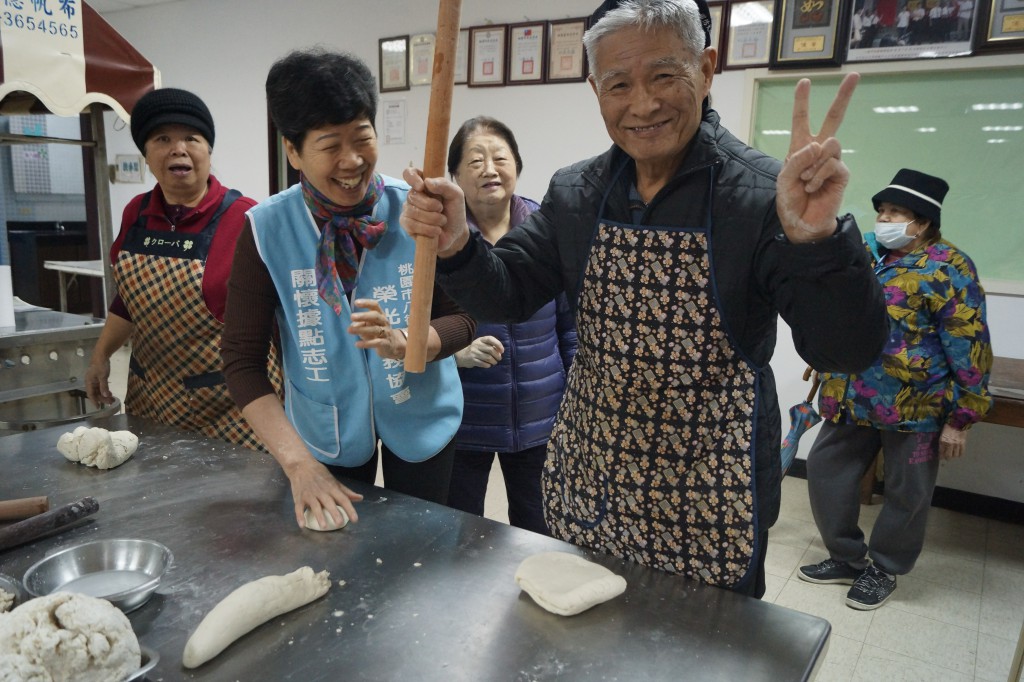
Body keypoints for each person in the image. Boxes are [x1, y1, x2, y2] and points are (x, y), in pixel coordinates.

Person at [401, 0, 887, 597]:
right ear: (594, 89)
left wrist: (817, 241)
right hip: (591, 475)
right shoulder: (577, 191)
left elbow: (845, 351)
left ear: (706, 69)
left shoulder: (764, 193)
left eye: (664, 76)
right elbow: (508, 292)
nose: (643, 103)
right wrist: (457, 247)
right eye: (618, 84)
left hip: (712, 492)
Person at [221, 48, 475, 531]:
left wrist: (409, 342)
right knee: (337, 557)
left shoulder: (416, 211)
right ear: (292, 150)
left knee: (424, 549)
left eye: (363, 138)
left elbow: (465, 317)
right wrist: (297, 463)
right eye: (329, 145)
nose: (352, 160)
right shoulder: (265, 231)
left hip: (421, 420)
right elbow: (242, 361)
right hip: (322, 430)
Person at [799, 169, 992, 610]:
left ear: (922, 222)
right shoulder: (865, 251)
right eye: (882, 210)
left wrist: (961, 420)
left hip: (916, 404)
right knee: (826, 471)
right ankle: (846, 557)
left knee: (908, 491)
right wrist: (822, 354)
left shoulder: (948, 268)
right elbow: (838, 309)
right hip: (850, 392)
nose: (884, 218)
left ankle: (885, 568)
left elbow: (969, 344)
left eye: (895, 212)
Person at [84, 88, 280, 449]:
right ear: (146, 154)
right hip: (151, 398)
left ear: (208, 151)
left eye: (192, 137)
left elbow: (279, 314)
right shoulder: (136, 213)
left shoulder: (247, 218)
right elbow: (128, 301)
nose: (178, 148)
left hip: (231, 405)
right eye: (162, 139)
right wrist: (101, 355)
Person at [445, 116, 577, 535]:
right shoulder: (441, 240)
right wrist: (453, 353)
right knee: (461, 535)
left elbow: (570, 325)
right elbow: (413, 323)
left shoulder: (545, 231)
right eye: (475, 160)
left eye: (500, 157)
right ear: (455, 176)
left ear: (516, 165)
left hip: (542, 415)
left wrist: (575, 396)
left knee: (540, 531)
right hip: (464, 417)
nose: (489, 169)